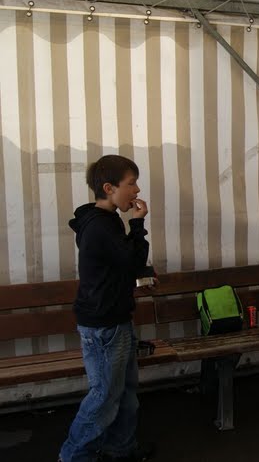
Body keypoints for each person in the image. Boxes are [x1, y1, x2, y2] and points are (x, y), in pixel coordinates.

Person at [59, 155, 154, 462]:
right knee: (104, 397)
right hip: (104, 325)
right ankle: (72, 456)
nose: (137, 190)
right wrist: (138, 224)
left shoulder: (105, 219)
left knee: (125, 392)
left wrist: (140, 275)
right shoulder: (100, 225)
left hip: (114, 320)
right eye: (131, 183)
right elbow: (132, 259)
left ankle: (120, 449)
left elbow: (120, 264)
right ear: (109, 188)